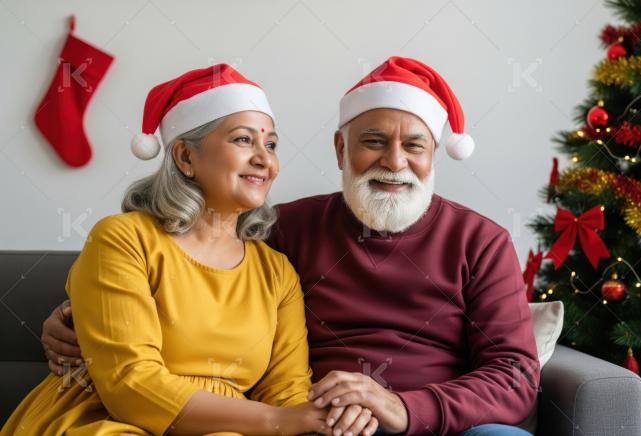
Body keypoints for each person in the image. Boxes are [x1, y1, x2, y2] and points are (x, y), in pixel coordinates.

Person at [41, 57, 540, 435]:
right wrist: (76, 318)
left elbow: (516, 375)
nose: (395, 161)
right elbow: (183, 279)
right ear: (341, 149)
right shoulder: (284, 231)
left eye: (414, 145)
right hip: (320, 421)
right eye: (373, 141)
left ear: (434, 156)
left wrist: (406, 407)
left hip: (438, 424)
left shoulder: (481, 240)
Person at [2, 64, 376, 436]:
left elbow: (286, 391)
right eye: (244, 140)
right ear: (184, 157)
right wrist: (276, 421)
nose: (265, 158)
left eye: (271, 144)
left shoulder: (277, 272)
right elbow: (129, 384)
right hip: (108, 421)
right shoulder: (121, 239)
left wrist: (333, 418)